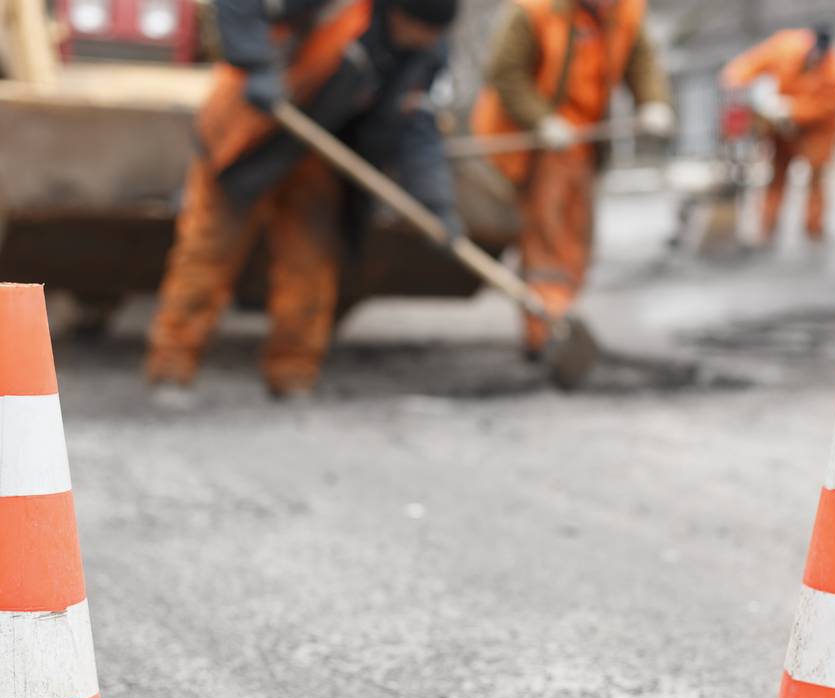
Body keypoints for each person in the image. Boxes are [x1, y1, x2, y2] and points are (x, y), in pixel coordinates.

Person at [146, 0, 460, 399]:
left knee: (309, 266)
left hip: (314, 150)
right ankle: (171, 370)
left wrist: (436, 206)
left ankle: (292, 375)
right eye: (420, 31)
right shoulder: (340, 7)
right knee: (209, 255)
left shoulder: (423, 56)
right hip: (248, 134)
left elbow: (417, 131)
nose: (424, 42)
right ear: (399, 13)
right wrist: (256, 64)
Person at [471, 0, 673, 358]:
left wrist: (653, 102)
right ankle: (545, 333)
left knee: (577, 239)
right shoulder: (533, 11)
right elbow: (506, 74)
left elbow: (641, 62)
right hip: (536, 143)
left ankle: (561, 319)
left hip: (583, 143)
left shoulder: (625, 12)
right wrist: (541, 119)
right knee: (546, 240)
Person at [722, 24, 835, 244]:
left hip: (818, 131)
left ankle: (814, 230)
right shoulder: (786, 47)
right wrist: (736, 79)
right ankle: (767, 228)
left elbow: (825, 106)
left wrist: (792, 109)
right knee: (777, 176)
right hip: (781, 128)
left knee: (816, 178)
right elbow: (753, 62)